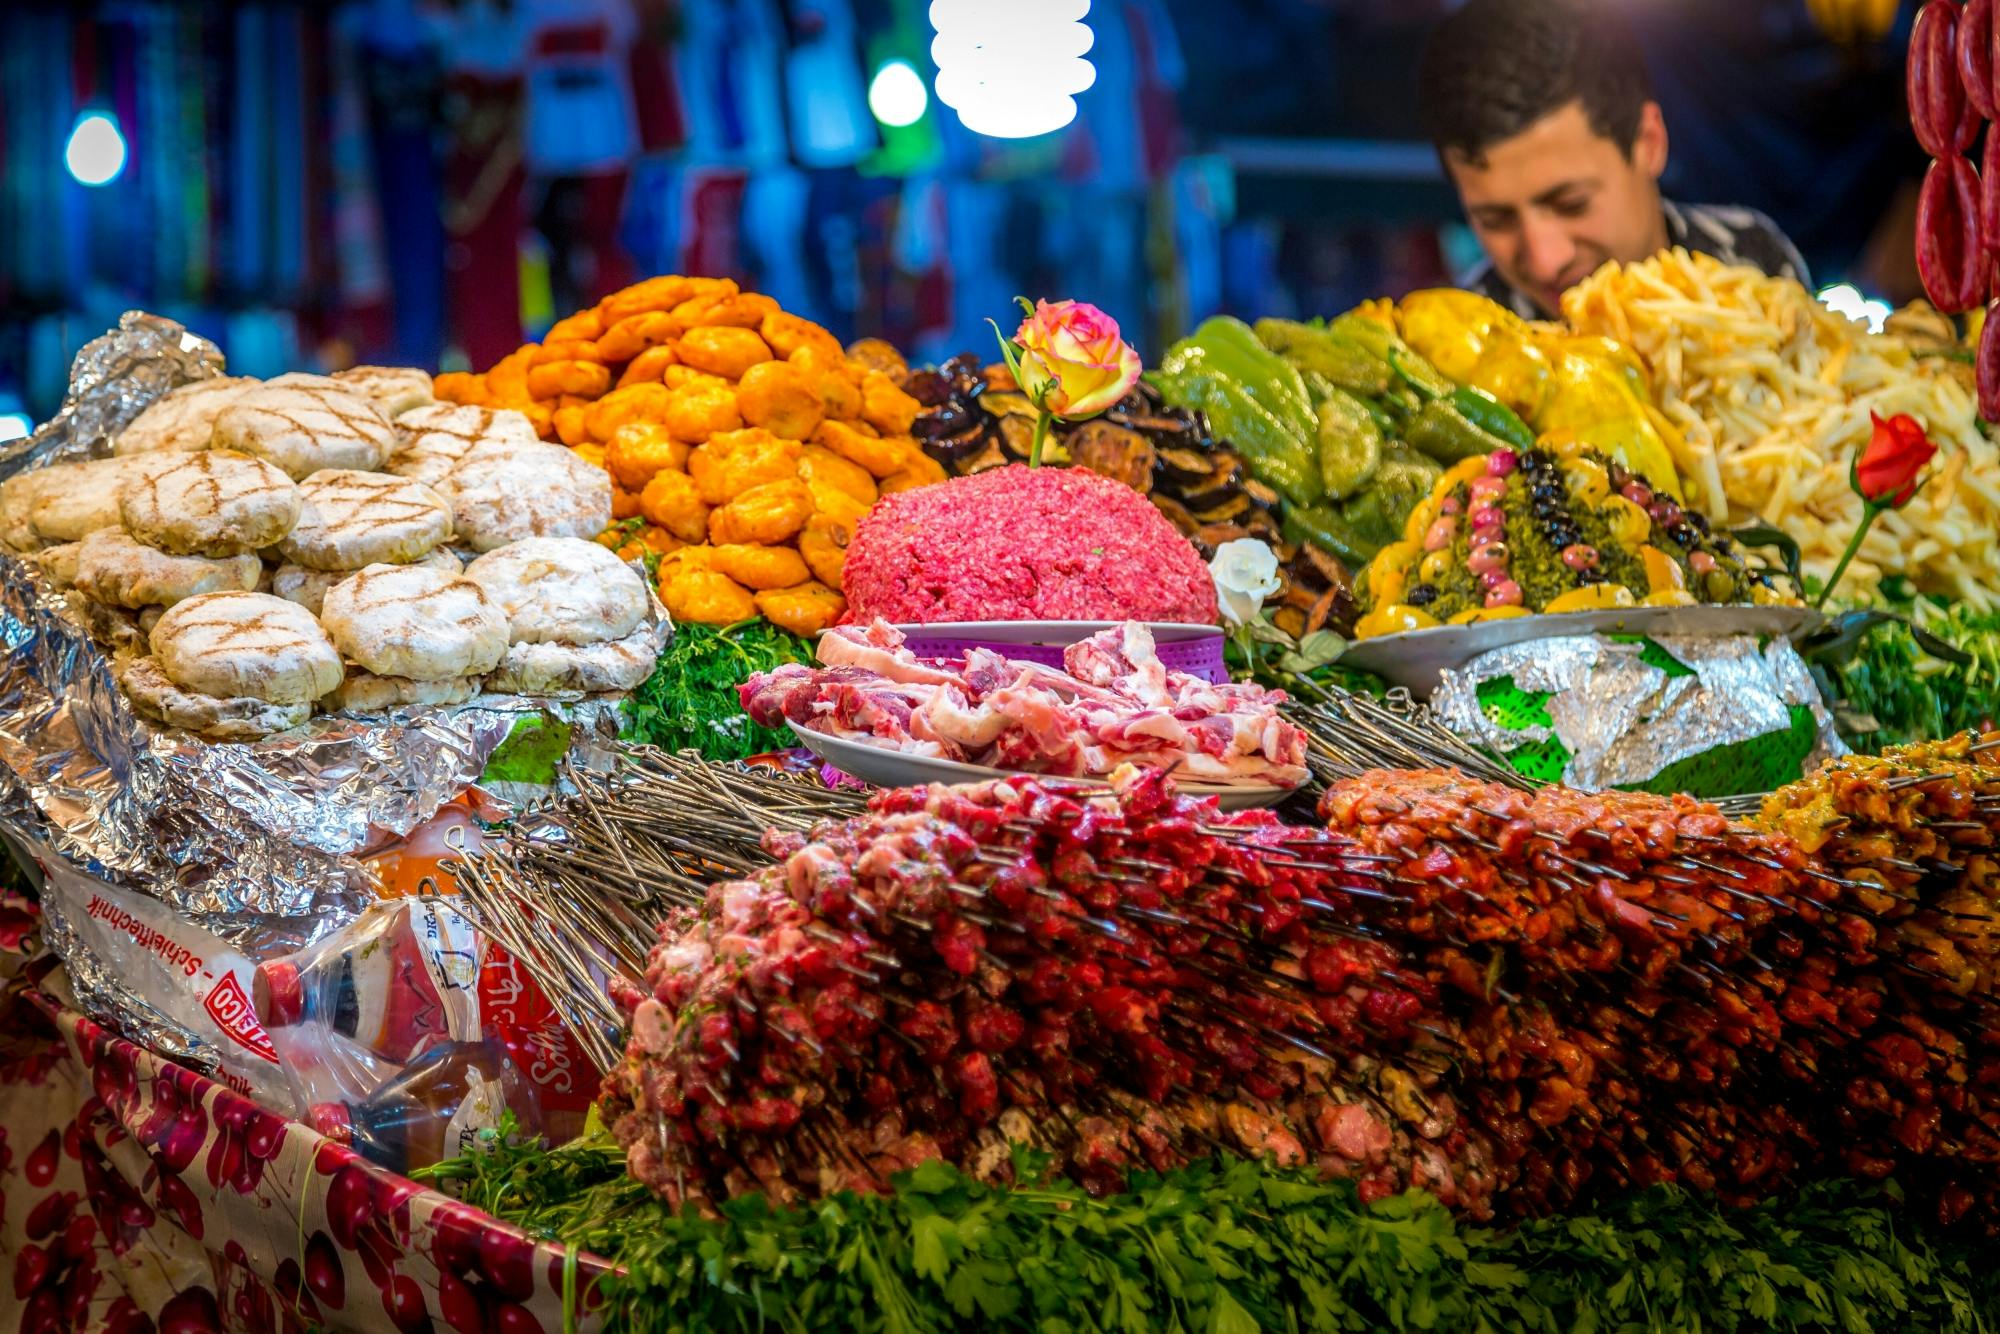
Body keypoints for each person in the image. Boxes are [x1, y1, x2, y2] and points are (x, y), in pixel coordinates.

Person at [1417, 0, 1811, 319]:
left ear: (1649, 142)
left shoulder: (1750, 262)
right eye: (1495, 220)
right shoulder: (1463, 349)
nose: (1545, 261)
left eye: (1572, 203)